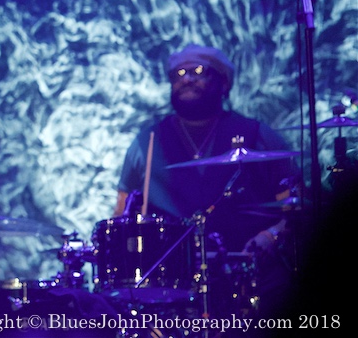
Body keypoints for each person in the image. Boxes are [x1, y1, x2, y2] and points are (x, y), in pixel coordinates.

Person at [113, 44, 299, 313]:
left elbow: (296, 206)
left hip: (251, 283)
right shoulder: (146, 144)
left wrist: (271, 236)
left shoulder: (257, 136)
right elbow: (122, 216)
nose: (186, 79)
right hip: (171, 291)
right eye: (178, 74)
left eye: (198, 71)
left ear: (223, 83)